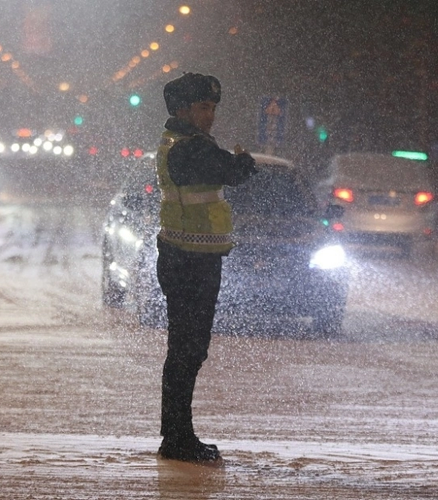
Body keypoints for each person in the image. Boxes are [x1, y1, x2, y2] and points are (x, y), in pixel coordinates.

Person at [155, 72, 257, 463]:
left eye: (213, 107)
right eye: (202, 107)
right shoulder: (188, 148)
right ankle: (178, 438)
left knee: (188, 351)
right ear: (182, 109)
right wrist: (244, 161)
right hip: (188, 262)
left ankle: (179, 434)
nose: (210, 114)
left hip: (190, 257)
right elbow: (232, 172)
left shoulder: (187, 143)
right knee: (186, 352)